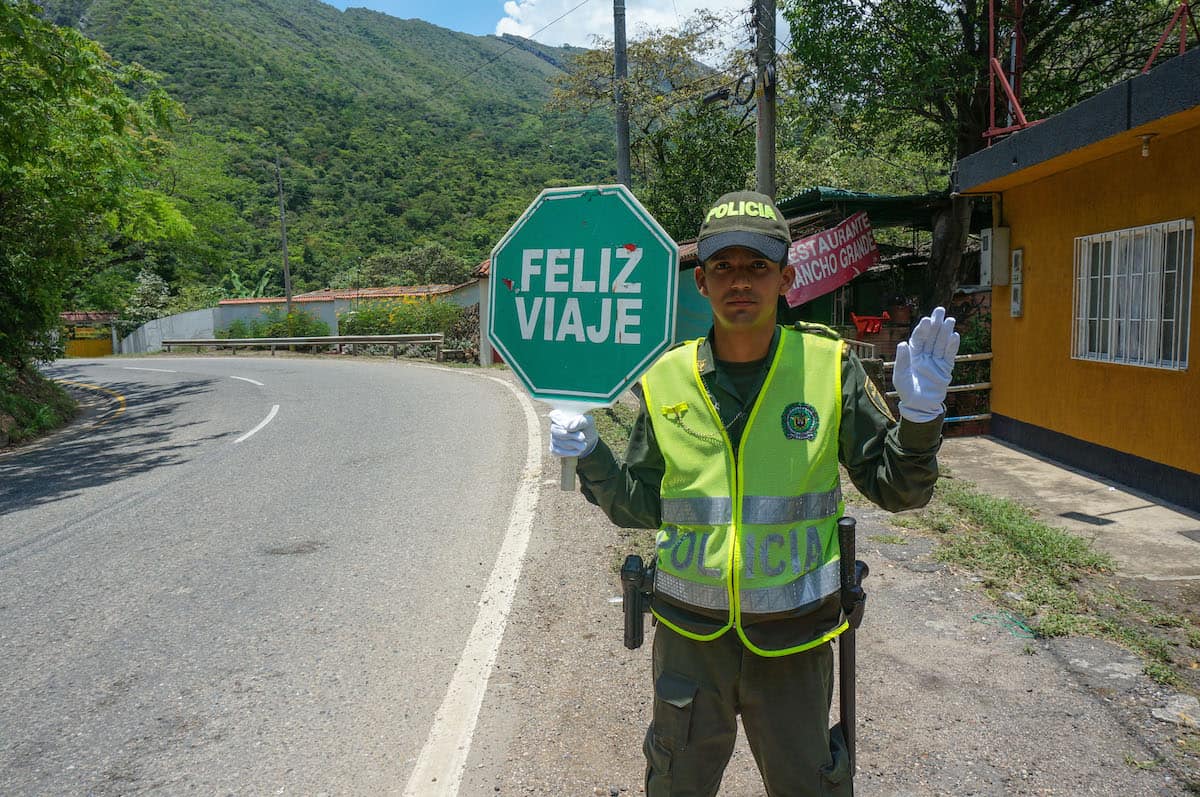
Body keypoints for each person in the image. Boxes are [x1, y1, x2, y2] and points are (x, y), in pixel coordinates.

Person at [548, 190, 959, 797]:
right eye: (723, 266)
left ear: (786, 277)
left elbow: (898, 491)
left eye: (757, 266)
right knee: (675, 784)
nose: (740, 281)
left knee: (808, 787)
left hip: (795, 642)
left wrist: (920, 417)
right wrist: (591, 455)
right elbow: (639, 504)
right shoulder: (665, 376)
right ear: (701, 283)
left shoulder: (828, 367)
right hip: (691, 642)